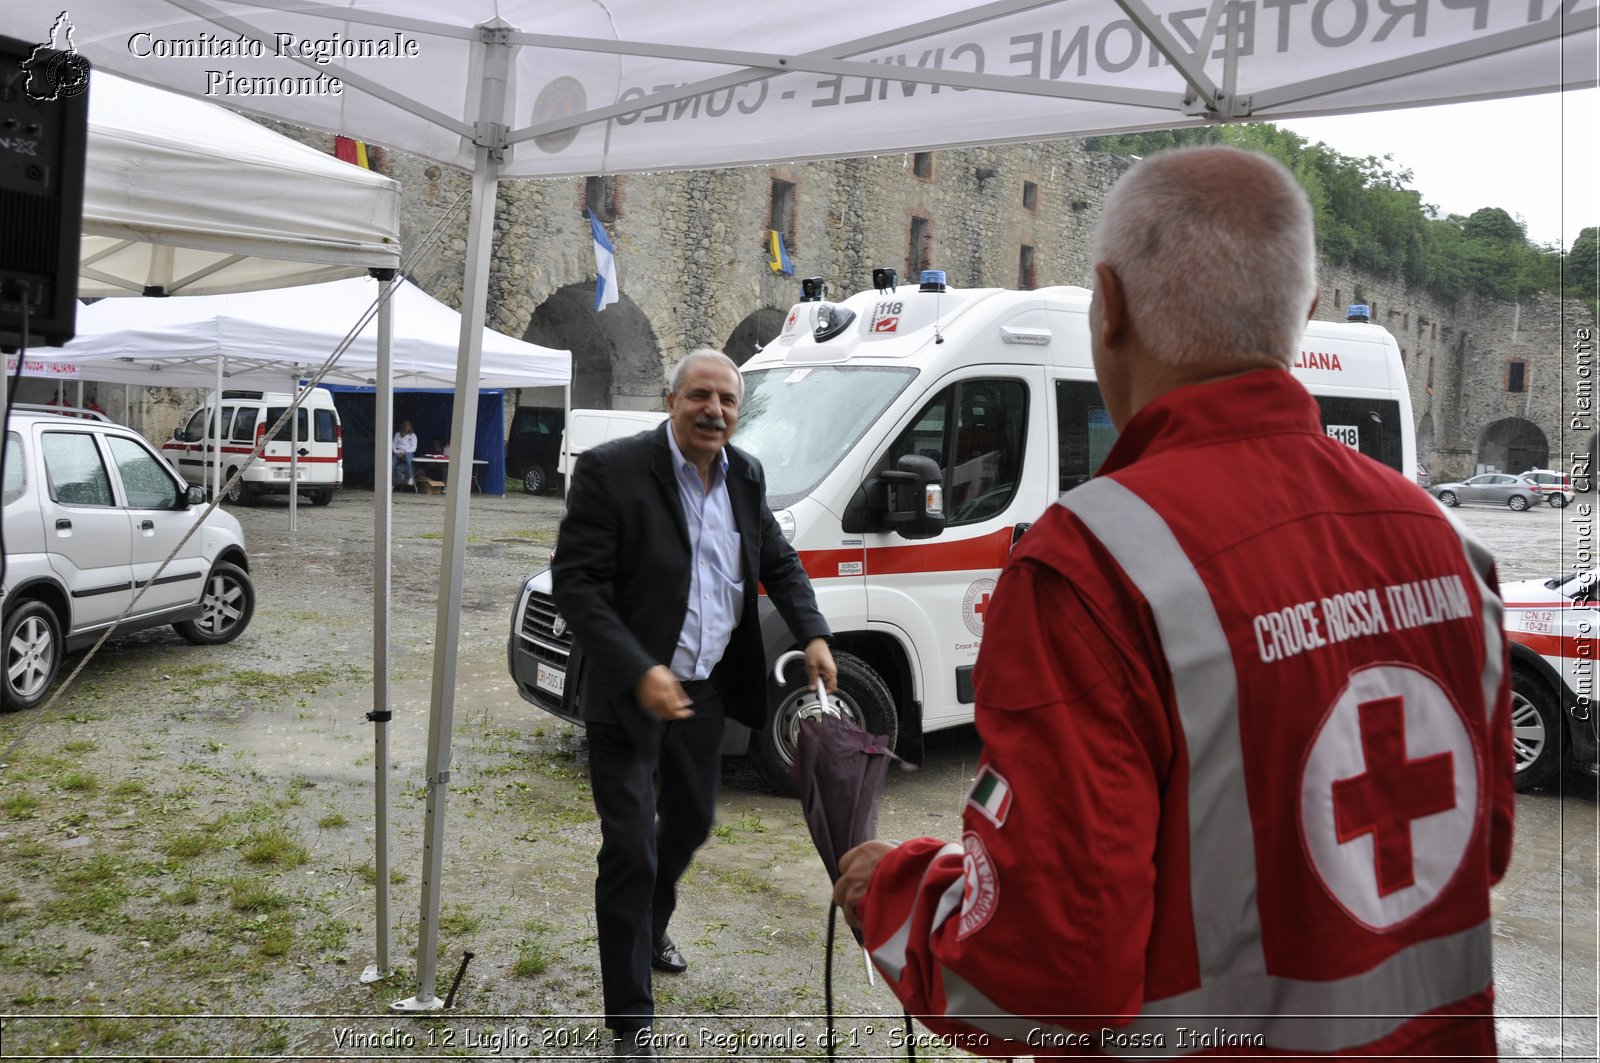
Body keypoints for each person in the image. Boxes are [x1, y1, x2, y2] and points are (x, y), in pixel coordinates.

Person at [832, 146, 1514, 1058]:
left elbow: (1042, 977)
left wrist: (897, 890)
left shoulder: (1092, 569)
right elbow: (1478, 849)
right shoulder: (1453, 549)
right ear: (1303, 317)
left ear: (1105, 309)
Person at [551, 348, 837, 1057]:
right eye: (701, 396)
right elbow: (577, 583)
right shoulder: (611, 470)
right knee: (629, 847)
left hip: (702, 689)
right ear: (669, 400)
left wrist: (815, 632)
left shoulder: (746, 474)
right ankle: (631, 1023)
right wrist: (638, 666)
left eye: (729, 400)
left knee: (692, 820)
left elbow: (777, 560)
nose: (715, 410)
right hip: (627, 693)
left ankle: (652, 922)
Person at [392, 419, 417, 486]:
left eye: (408, 425)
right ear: (402, 426)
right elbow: (393, 445)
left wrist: (404, 453)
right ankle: (392, 483)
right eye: (405, 425)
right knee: (392, 464)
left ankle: (410, 478)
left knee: (408, 460)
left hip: (408, 452)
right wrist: (397, 452)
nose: (406, 427)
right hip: (398, 452)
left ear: (410, 426)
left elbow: (413, 447)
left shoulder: (413, 435)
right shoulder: (397, 434)